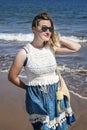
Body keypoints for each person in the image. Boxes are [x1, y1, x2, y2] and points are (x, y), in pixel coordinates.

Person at [8, 12, 81, 130]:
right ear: (34, 28)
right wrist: (28, 88)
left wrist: (56, 37)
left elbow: (76, 48)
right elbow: (12, 77)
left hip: (56, 96)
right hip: (38, 99)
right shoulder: (24, 53)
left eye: (50, 28)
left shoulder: (50, 48)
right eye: (44, 28)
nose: (47, 31)